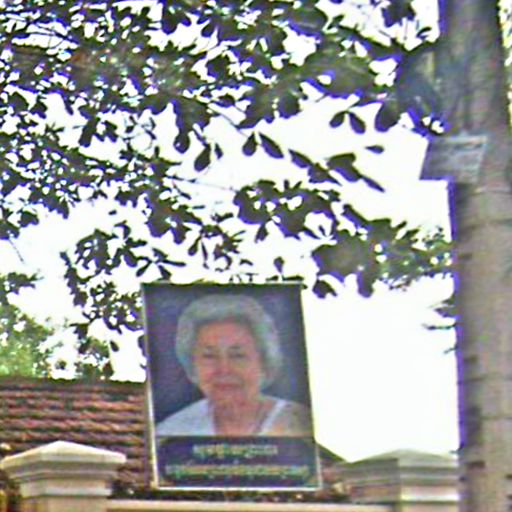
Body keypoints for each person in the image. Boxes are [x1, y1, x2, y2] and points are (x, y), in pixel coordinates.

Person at [155, 293, 313, 437]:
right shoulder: (171, 432)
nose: (224, 369)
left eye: (238, 356)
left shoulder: (301, 426)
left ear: (264, 362)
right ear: (192, 366)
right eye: (209, 356)